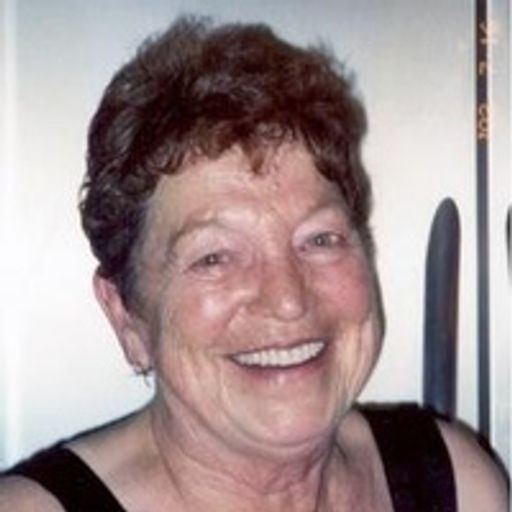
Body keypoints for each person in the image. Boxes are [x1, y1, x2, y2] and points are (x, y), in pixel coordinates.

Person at [0, 16, 507, 512]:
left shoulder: (460, 484)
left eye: (320, 239)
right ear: (126, 316)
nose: (287, 300)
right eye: (215, 257)